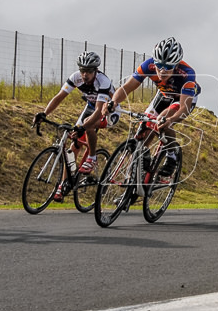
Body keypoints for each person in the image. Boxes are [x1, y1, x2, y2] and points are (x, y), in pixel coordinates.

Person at [34, 51, 122, 197]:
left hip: (109, 110)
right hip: (91, 107)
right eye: (82, 71)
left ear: (96, 70)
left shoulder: (103, 81)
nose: (85, 74)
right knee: (73, 146)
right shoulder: (75, 78)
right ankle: (63, 185)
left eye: (88, 71)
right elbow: (59, 97)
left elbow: (100, 111)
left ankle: (92, 158)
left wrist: (83, 128)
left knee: (88, 125)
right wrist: (44, 113)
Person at [107, 37, 199, 176]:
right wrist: (113, 102)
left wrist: (170, 120)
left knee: (163, 121)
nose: (162, 71)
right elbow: (127, 87)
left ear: (176, 65)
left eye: (168, 67)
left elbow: (184, 108)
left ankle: (171, 155)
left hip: (182, 98)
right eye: (159, 65)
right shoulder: (147, 65)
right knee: (146, 122)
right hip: (164, 94)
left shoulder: (187, 74)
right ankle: (139, 166)